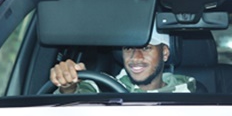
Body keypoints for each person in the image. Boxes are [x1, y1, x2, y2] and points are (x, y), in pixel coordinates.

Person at [49, 25, 196, 93]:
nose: (135, 57)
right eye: (128, 48)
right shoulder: (104, 87)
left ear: (164, 53)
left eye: (146, 48)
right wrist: (67, 85)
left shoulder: (191, 94)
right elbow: (75, 102)